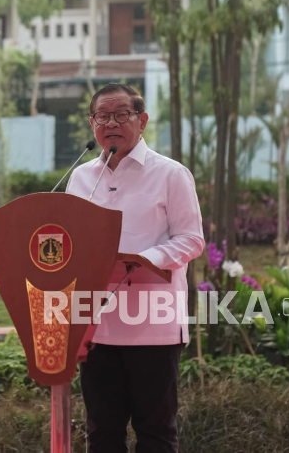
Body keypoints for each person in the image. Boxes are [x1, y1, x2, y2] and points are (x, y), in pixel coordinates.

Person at [65, 83, 205, 453]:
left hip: (153, 324)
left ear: (141, 121)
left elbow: (191, 239)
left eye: (122, 114)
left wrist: (147, 260)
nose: (111, 122)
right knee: (102, 434)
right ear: (92, 124)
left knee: (156, 433)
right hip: (97, 325)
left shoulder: (171, 174)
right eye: (102, 116)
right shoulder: (81, 179)